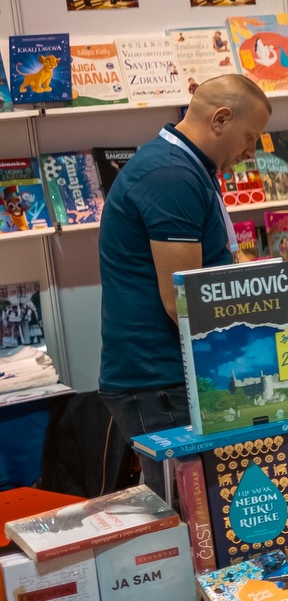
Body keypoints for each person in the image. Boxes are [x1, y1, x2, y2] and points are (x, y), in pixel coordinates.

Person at [98, 75, 272, 491]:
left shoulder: (187, 166)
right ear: (221, 119)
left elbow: (217, 263)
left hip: (173, 373)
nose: (251, 151)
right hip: (160, 380)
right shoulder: (171, 175)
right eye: (250, 137)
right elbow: (185, 302)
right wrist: (272, 329)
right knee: (189, 508)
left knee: (206, 505)